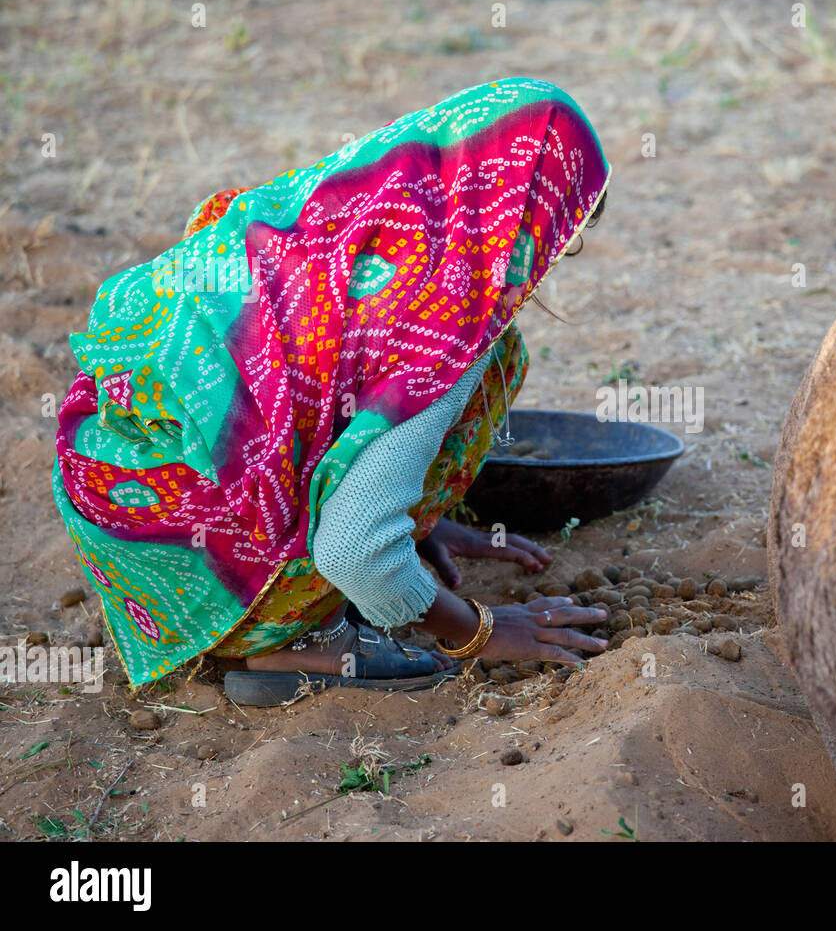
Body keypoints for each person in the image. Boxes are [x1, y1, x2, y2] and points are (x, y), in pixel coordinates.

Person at [51, 78, 612, 705]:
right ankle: (294, 639)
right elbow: (351, 554)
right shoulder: (441, 335)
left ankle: (350, 534)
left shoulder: (343, 210)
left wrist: (422, 522)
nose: (550, 257)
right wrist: (480, 630)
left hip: (115, 496)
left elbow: (307, 392)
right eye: (557, 233)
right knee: (494, 353)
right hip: (200, 547)